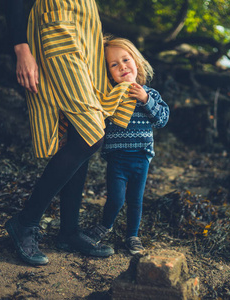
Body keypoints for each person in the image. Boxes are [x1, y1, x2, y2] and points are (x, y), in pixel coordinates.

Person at [4, 0, 137, 265]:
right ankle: (25, 222)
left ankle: (68, 231)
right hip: (56, 25)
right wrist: (21, 48)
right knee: (91, 133)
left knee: (80, 132)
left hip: (88, 30)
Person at [86, 36, 169, 255]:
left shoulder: (149, 94)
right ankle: (105, 225)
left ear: (137, 62)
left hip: (141, 157)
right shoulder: (110, 96)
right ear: (108, 73)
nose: (122, 67)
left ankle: (132, 235)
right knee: (115, 198)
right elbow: (100, 121)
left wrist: (145, 100)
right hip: (117, 158)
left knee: (135, 200)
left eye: (125, 60)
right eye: (114, 65)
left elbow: (162, 119)